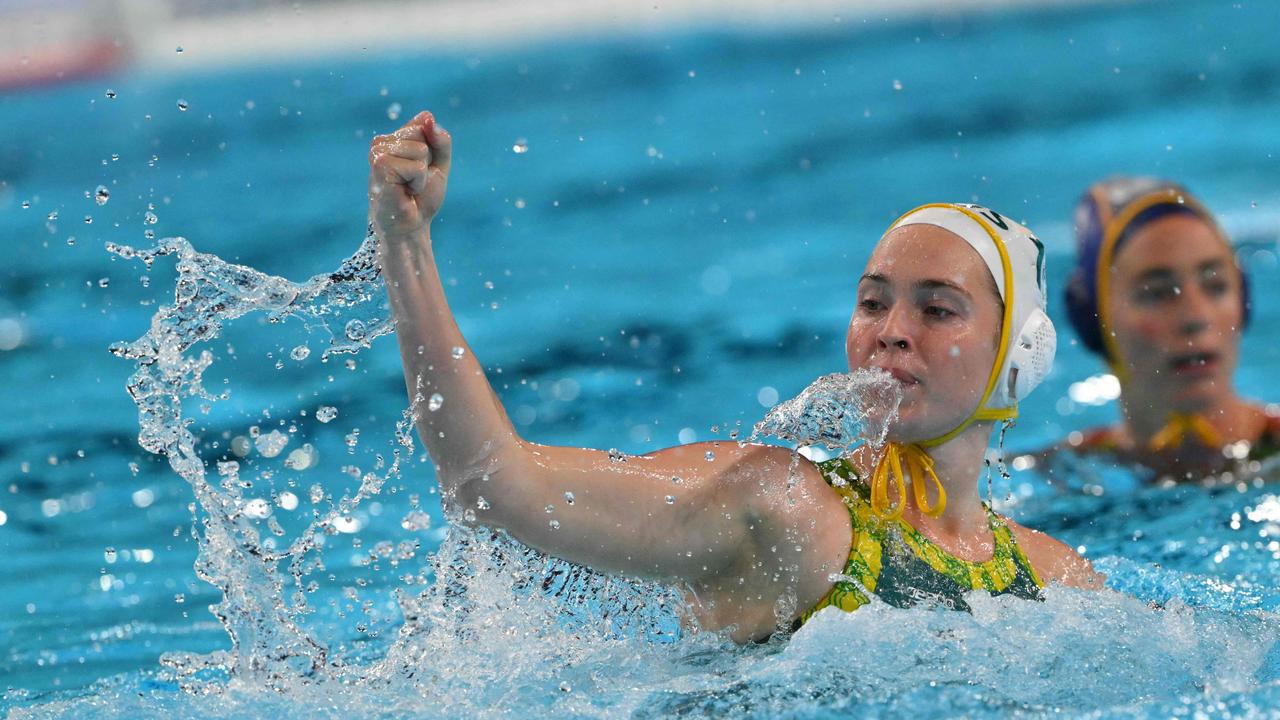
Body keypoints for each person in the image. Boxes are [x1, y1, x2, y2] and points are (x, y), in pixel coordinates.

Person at [369, 110, 1102, 643]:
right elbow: (494, 482)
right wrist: (406, 246)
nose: (890, 333)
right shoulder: (784, 513)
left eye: (938, 310)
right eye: (872, 303)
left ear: (1019, 355)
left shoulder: (1053, 578)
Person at [1055, 177, 1280, 480]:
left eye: (1215, 286)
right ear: (1092, 321)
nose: (1195, 317)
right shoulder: (1063, 472)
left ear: (1244, 299)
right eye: (1158, 292)